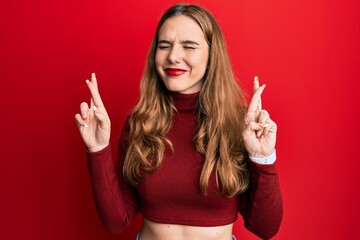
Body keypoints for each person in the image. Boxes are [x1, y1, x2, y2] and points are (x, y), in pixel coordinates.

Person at [75, 4, 282, 240]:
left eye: (189, 46)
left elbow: (266, 228)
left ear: (212, 56)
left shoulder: (241, 125)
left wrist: (262, 158)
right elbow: (115, 221)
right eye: (164, 46)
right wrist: (97, 149)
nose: (173, 56)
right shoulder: (140, 122)